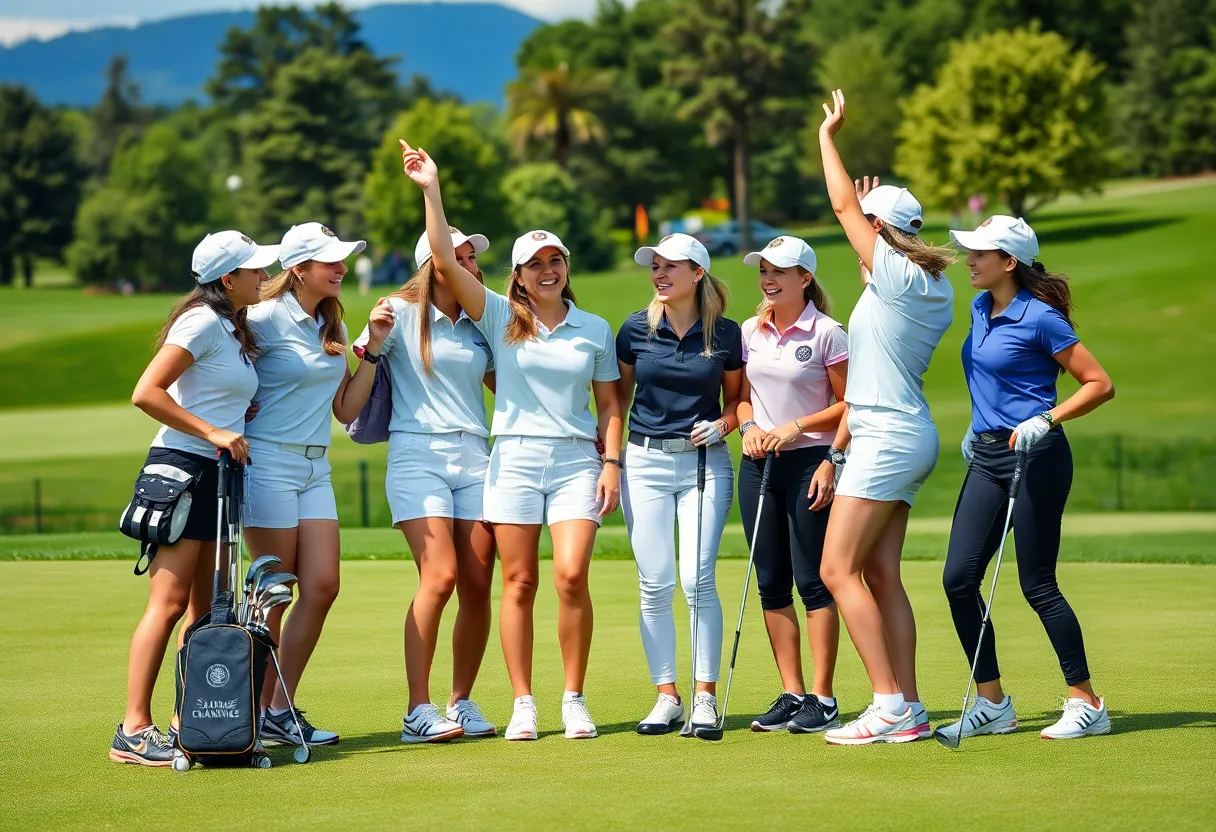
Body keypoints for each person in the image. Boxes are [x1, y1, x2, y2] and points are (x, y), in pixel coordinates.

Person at [399, 140, 624, 741]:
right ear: (518, 276)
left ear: (565, 268)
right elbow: (444, 260)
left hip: (578, 461)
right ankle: (524, 700)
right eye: (536, 264)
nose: (549, 272)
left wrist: (612, 463)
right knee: (518, 581)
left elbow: (609, 404)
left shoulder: (594, 328)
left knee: (572, 575)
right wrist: (432, 188)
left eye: (557, 262)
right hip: (515, 461)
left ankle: (572, 698)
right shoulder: (498, 316)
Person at [939, 216, 1115, 741]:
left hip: (1037, 458)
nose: (969, 261)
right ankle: (993, 704)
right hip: (988, 458)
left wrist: (1046, 418)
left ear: (1008, 262)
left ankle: (1087, 703)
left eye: (979, 254)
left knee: (1037, 584)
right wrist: (979, 427)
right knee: (958, 579)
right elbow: (990, 382)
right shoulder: (979, 307)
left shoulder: (1041, 319)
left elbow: (1099, 383)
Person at [815, 90, 956, 745]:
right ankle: (912, 708)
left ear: (878, 231)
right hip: (899, 434)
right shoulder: (918, 278)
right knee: (879, 575)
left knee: (836, 570)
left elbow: (844, 204)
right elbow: (864, 219)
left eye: (864, 225)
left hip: (888, 439)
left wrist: (829, 136)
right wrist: (877, 212)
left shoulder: (895, 274)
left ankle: (888, 703)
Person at [112, 230, 276, 765]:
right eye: (253, 270)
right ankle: (134, 729)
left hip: (215, 475)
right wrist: (213, 432)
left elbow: (215, 395)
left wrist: (232, 422)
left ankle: (192, 721)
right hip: (183, 470)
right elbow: (146, 392)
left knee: (205, 609)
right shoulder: (201, 321)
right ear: (227, 279)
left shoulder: (232, 326)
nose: (262, 276)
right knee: (169, 604)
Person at [241, 222, 393, 748]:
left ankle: (277, 711)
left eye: (342, 259)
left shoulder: (327, 320)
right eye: (329, 260)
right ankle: (248, 714)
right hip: (268, 464)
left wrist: (371, 351)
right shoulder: (257, 320)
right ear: (298, 268)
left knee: (323, 586)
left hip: (315, 467)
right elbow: (217, 376)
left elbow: (346, 408)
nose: (341, 267)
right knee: (275, 596)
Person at [352, 226, 499, 743]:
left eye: (472, 258)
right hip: (417, 454)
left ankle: (460, 702)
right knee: (439, 577)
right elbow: (358, 379)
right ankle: (418, 708)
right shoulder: (396, 312)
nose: (471, 266)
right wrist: (371, 341)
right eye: (458, 257)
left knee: (478, 585)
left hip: (476, 455)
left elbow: (507, 385)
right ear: (433, 263)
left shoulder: (481, 320)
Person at [616, 233, 742, 735]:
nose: (660, 274)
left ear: (698, 274)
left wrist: (724, 426)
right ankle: (666, 696)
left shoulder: (727, 334)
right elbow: (617, 400)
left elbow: (737, 402)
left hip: (704, 462)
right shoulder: (633, 330)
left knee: (697, 579)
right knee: (654, 583)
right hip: (643, 462)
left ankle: (704, 698)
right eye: (655, 266)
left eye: (672, 266)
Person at [734, 236, 850, 735]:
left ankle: (823, 698)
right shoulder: (749, 330)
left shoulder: (828, 333)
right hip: (760, 465)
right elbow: (740, 397)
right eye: (763, 270)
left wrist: (811, 440)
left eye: (780, 270)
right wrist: (749, 428)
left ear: (805, 278)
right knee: (771, 582)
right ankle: (793, 691)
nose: (768, 279)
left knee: (813, 581)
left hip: (809, 463)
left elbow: (851, 403)